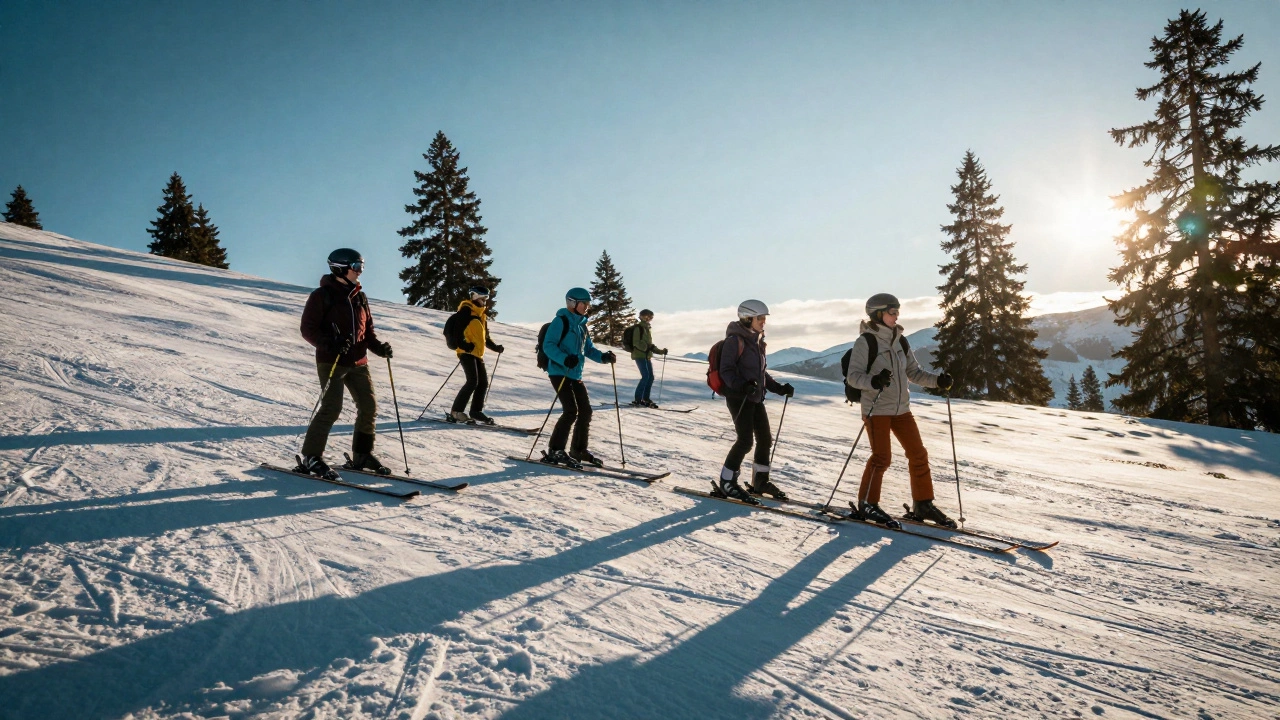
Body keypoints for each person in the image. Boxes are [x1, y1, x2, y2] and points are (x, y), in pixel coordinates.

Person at [844, 293, 956, 527]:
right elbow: (854, 376)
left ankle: (923, 504)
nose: (896, 316)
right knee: (882, 458)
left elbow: (913, 372)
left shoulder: (900, 341)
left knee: (918, 454)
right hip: (877, 409)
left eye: (897, 312)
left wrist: (938, 381)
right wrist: (874, 381)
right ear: (878, 314)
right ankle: (867, 503)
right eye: (892, 312)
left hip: (901, 409)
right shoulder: (866, 342)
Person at [297, 248, 394, 479]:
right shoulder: (322, 295)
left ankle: (362, 454)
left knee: (368, 407)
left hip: (359, 361)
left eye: (362, 266)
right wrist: (331, 343)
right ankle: (312, 456)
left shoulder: (360, 297)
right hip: (332, 360)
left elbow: (367, 332)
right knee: (332, 407)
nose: (360, 271)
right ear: (340, 269)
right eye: (356, 266)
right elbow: (308, 329)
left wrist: (379, 348)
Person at [715, 300, 794, 504]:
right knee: (745, 441)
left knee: (765, 439)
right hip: (739, 398)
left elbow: (760, 373)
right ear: (747, 318)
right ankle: (727, 481)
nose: (763, 322)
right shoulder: (734, 341)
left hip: (755, 398)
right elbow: (726, 371)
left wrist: (779, 388)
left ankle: (760, 481)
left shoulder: (757, 341)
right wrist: (742, 386)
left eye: (764, 318)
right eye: (760, 318)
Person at [540, 287, 617, 469]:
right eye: (584, 303)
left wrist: (603, 357)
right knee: (570, 411)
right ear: (572, 303)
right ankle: (555, 450)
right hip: (559, 372)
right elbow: (548, 345)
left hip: (575, 374)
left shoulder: (582, 326)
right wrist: (564, 358)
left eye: (588, 303)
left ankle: (578, 450)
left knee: (586, 411)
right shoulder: (560, 321)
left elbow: (588, 349)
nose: (587, 307)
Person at [447, 285, 505, 425]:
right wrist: (465, 346)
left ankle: (476, 412)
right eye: (482, 298)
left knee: (483, 383)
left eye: (486, 298)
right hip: (466, 353)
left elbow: (485, 338)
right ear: (474, 296)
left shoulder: (481, 315)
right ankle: (456, 412)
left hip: (477, 354)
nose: (485, 301)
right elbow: (457, 332)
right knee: (472, 381)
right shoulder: (466, 311)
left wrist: (495, 347)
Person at [627, 309, 668, 408]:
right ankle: (638, 399)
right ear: (642, 317)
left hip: (646, 356)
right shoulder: (639, 328)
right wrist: (646, 348)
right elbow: (636, 343)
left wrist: (661, 351)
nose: (649, 319)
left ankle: (645, 398)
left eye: (651, 317)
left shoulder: (647, 328)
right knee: (646, 376)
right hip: (639, 355)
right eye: (647, 316)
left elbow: (650, 345)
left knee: (650, 377)